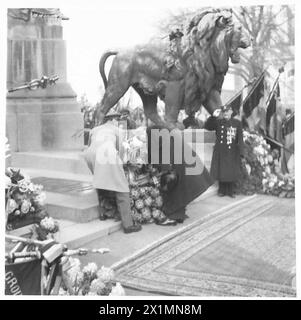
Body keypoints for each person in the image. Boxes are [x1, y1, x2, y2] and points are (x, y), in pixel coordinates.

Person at [84, 113, 141, 234]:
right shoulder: (118, 130)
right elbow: (122, 152)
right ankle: (128, 225)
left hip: (89, 155)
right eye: (118, 119)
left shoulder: (95, 129)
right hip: (107, 154)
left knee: (100, 181)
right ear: (114, 120)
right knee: (122, 188)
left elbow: (90, 145)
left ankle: (102, 213)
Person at [147, 126, 214, 223]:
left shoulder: (159, 139)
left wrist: (157, 169)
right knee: (181, 189)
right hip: (186, 165)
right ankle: (178, 213)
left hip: (180, 167)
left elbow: (163, 161)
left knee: (175, 189)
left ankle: (174, 215)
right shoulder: (168, 136)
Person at [205, 105, 245, 198]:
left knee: (231, 171)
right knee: (221, 170)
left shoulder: (237, 123)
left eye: (227, 111)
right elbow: (207, 126)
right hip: (220, 150)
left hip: (232, 150)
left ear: (231, 112)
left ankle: (230, 191)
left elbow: (240, 139)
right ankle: (221, 190)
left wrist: (242, 153)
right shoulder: (218, 122)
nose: (226, 113)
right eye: (224, 112)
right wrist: (213, 116)